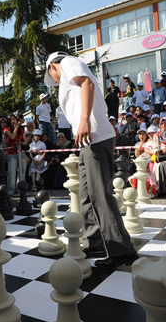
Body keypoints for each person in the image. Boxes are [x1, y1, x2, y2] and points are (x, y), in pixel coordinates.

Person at [44, 51, 137, 269]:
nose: (55, 82)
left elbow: (87, 84)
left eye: (53, 78)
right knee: (86, 193)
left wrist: (84, 120)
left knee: (99, 193)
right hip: (88, 139)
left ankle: (122, 249)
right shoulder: (69, 68)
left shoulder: (67, 62)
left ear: (52, 67)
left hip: (95, 135)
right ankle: (94, 240)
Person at [3, 114, 27, 195]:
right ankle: (11, 190)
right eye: (11, 119)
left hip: (20, 152)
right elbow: (12, 137)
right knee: (12, 172)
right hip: (11, 153)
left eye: (14, 119)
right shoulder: (6, 130)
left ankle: (21, 187)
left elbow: (25, 141)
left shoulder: (21, 130)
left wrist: (21, 143)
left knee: (22, 171)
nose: (13, 121)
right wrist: (16, 128)